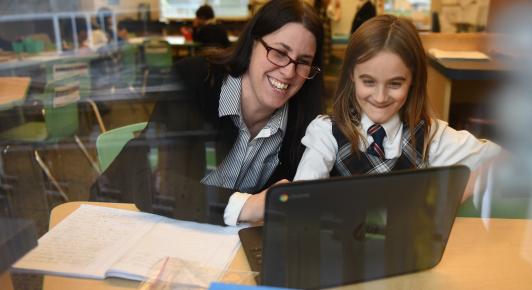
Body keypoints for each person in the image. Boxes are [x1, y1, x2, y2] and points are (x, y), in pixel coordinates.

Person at [90, 0, 324, 226]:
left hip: (214, 242)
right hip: (129, 222)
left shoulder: (304, 119)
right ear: (253, 43)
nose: (289, 72)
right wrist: (245, 207)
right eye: (279, 53)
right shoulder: (193, 81)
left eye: (303, 61)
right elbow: (154, 183)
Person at [293, 15, 500, 196]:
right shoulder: (326, 133)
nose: (381, 97)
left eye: (395, 83)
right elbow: (300, 196)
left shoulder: (431, 136)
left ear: (413, 81)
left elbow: (507, 161)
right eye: (369, 81)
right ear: (351, 75)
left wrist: (460, 194)